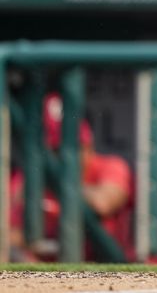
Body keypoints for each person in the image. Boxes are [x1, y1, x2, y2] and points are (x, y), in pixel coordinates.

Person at [9, 93, 133, 261]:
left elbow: (102, 203)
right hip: (50, 274)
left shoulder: (110, 166)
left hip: (104, 270)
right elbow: (11, 236)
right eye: (57, 150)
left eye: (76, 148)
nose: (66, 158)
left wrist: (57, 186)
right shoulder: (31, 177)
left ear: (89, 144)